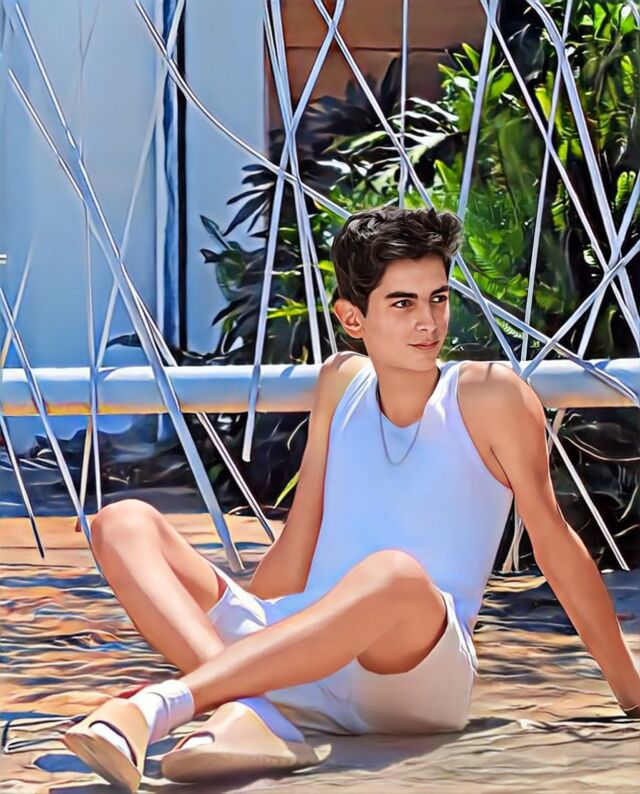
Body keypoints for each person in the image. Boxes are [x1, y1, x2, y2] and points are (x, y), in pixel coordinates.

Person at [63, 207, 640, 792]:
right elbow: (301, 537)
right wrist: (255, 636)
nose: (429, 322)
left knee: (394, 574)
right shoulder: (341, 381)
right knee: (120, 522)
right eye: (403, 303)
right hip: (309, 652)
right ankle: (252, 711)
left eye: (438, 299)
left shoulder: (489, 395)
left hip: (413, 671)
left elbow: (554, 542)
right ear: (352, 318)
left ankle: (159, 708)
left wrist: (632, 692)